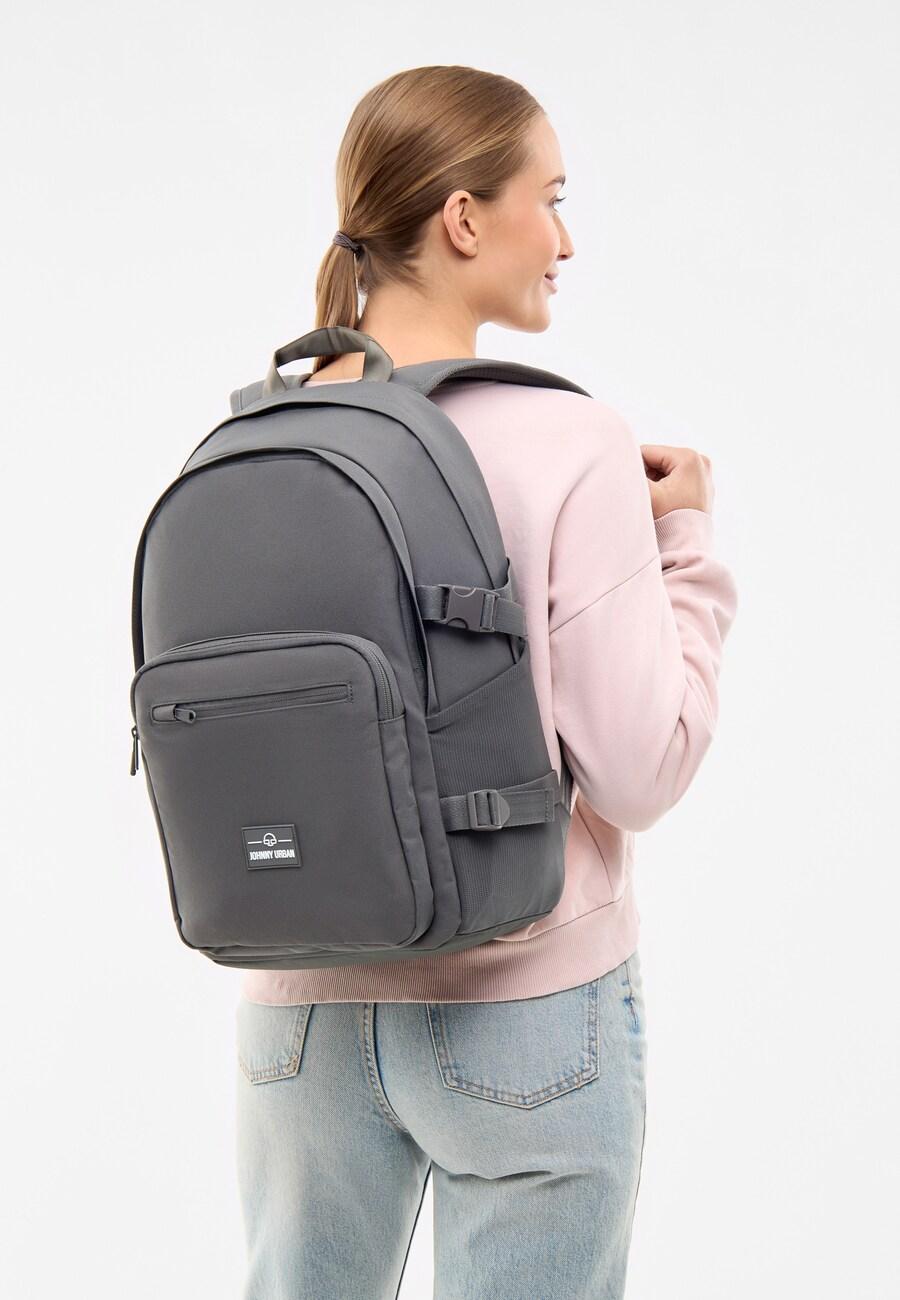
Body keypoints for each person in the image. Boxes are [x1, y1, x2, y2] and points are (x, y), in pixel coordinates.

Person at [235, 64, 738, 1300]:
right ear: (464, 218)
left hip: (297, 1014)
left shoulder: (259, 433)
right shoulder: (570, 440)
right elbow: (641, 768)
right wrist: (685, 546)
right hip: (524, 1004)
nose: (563, 241)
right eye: (549, 199)